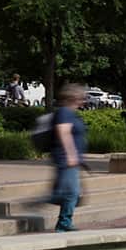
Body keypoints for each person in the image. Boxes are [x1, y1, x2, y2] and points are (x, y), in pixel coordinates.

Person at [48, 83, 87, 231]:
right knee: (72, 192)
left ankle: (64, 221)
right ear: (73, 98)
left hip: (71, 159)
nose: (83, 101)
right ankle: (63, 223)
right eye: (81, 98)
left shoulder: (70, 113)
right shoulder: (64, 112)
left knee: (70, 192)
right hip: (66, 158)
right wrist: (71, 155)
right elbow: (63, 132)